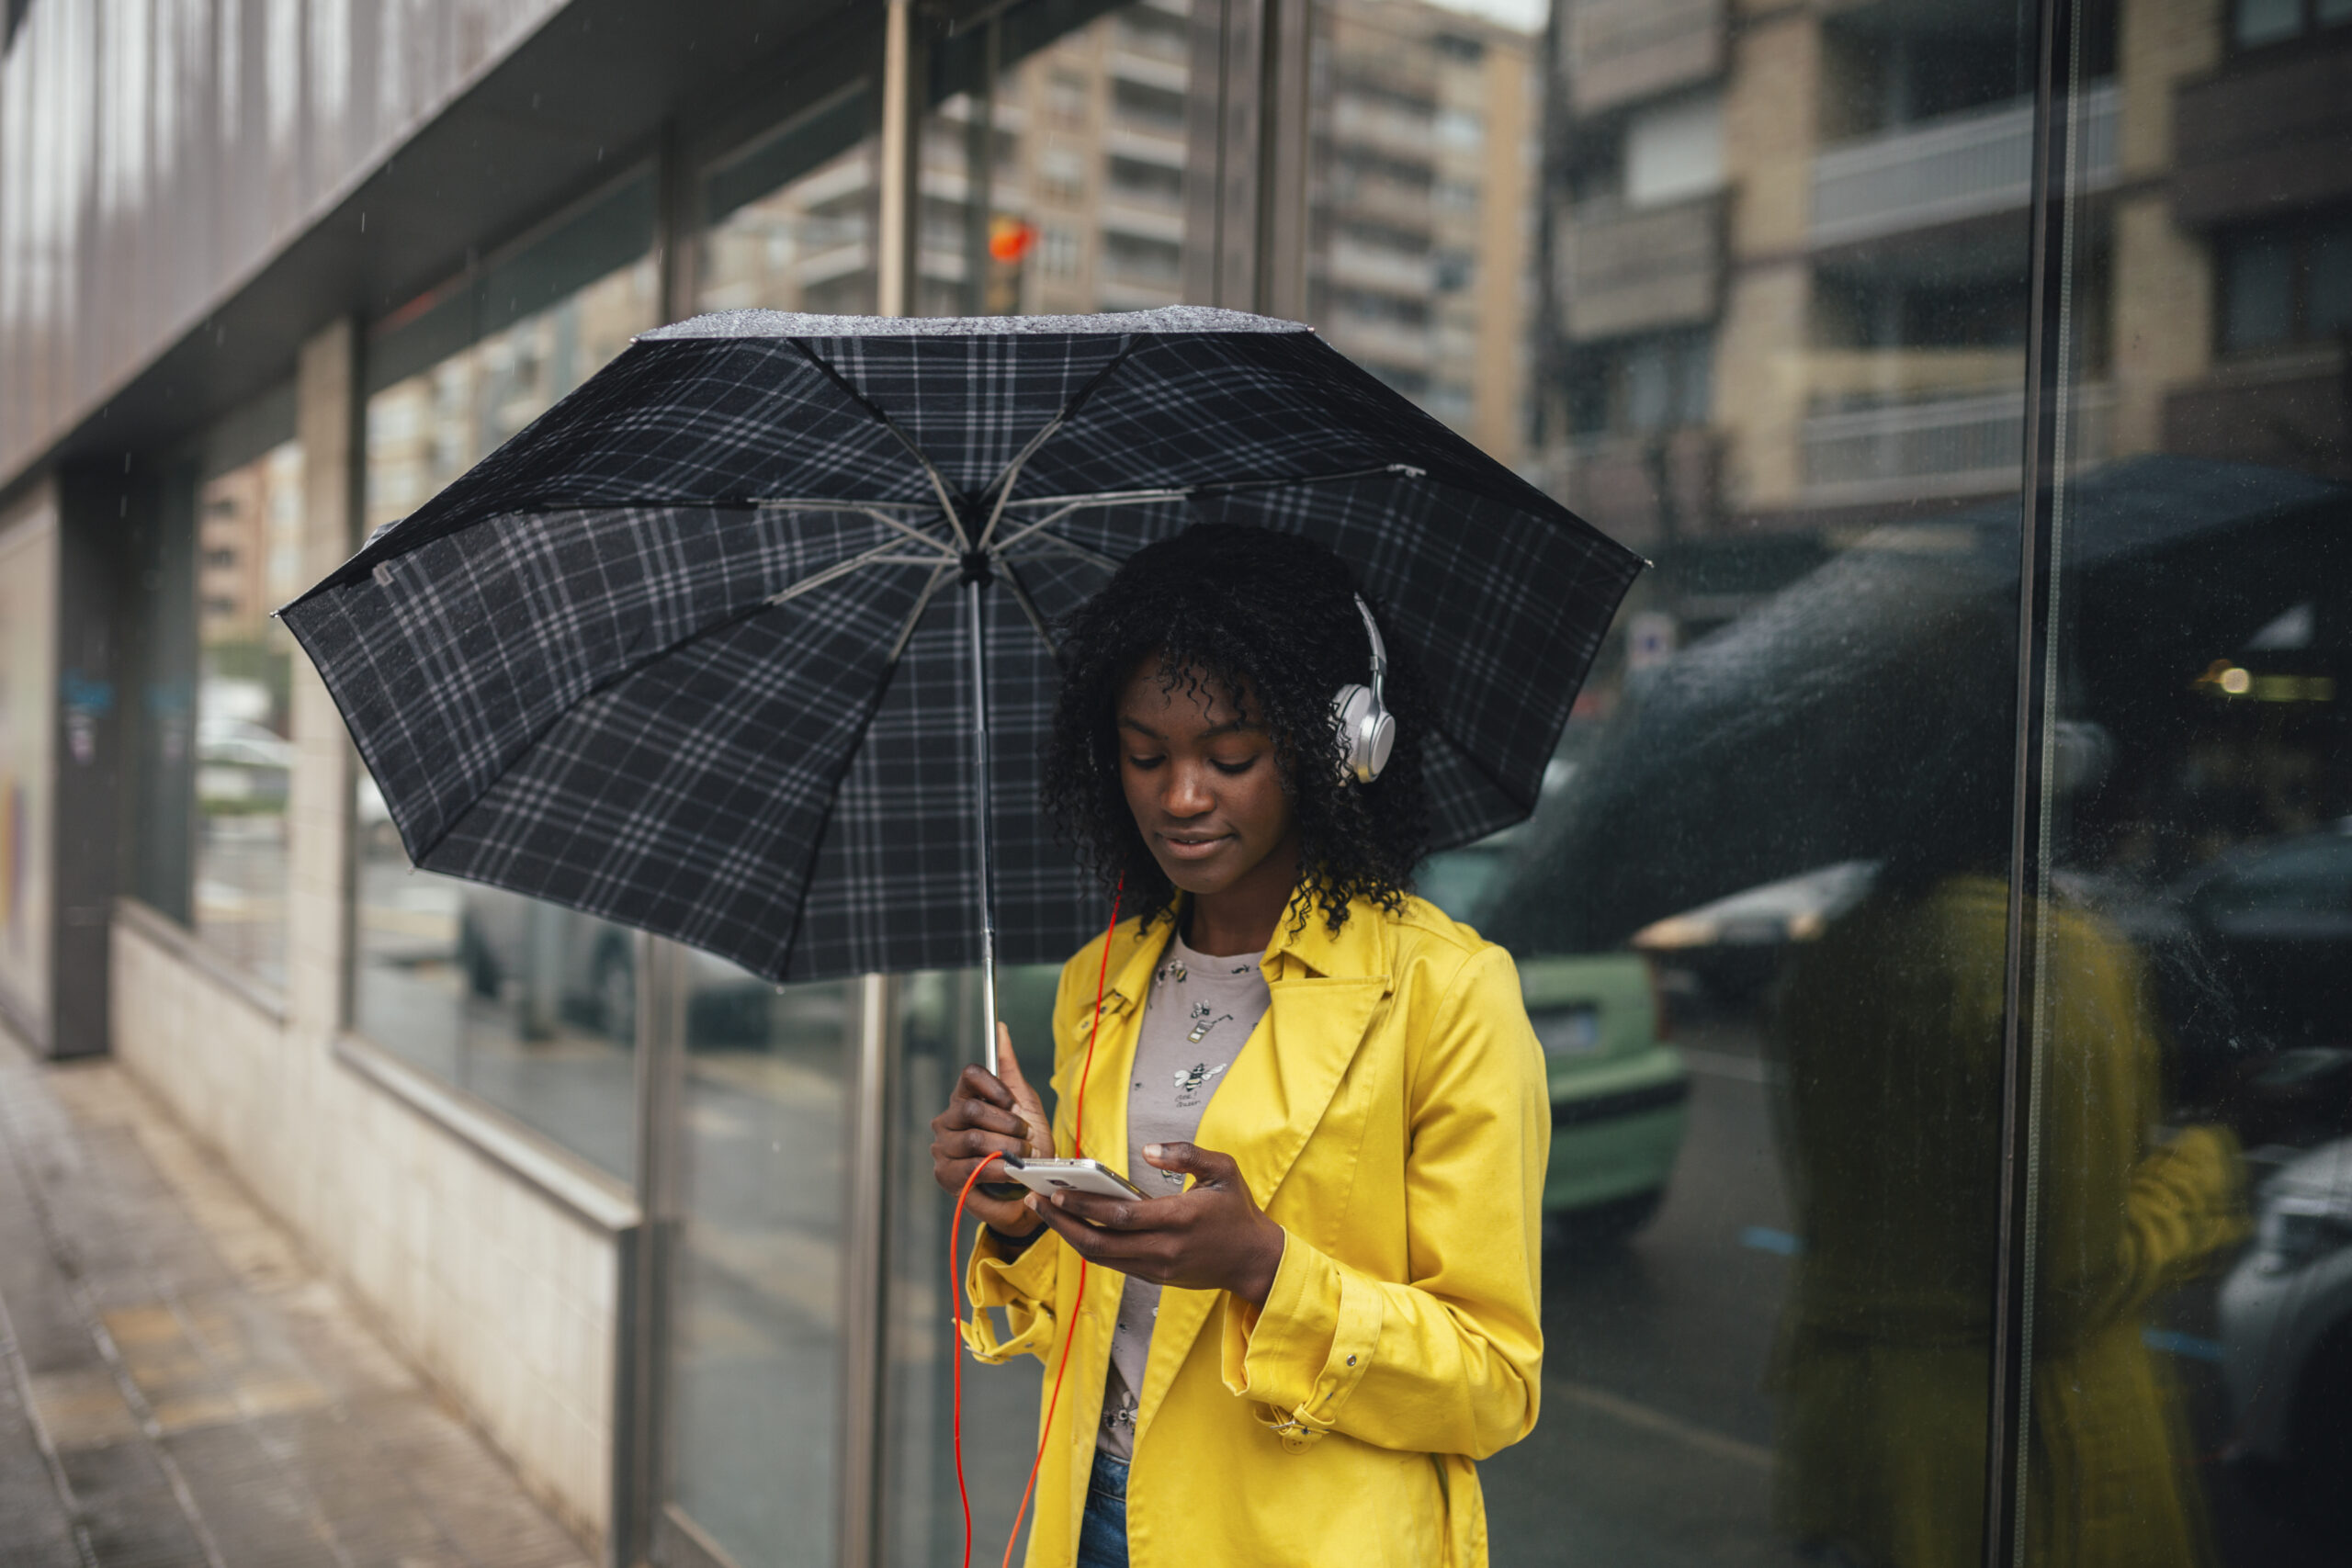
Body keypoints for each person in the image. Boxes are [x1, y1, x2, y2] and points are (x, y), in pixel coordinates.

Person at [930, 525, 1547, 1568]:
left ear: (1336, 743)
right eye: (1144, 756)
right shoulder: (1101, 980)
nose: (1180, 797)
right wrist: (1026, 1210)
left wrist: (1266, 1267)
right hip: (1091, 1517)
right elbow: (1109, 1314)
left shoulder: (1445, 991)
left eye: (1230, 757)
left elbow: (1491, 1382)